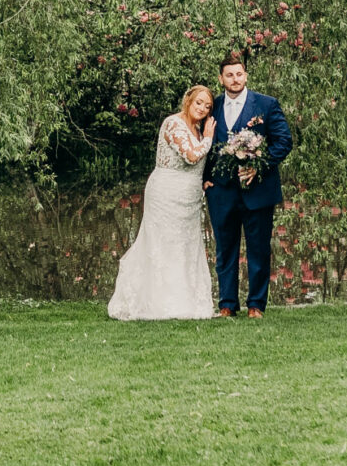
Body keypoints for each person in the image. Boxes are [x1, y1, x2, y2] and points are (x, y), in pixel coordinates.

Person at [105, 85, 218, 321]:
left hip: (190, 197)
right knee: (162, 245)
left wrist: (206, 180)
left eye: (207, 106)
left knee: (186, 246)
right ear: (188, 100)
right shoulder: (173, 123)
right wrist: (208, 138)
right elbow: (191, 156)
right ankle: (157, 303)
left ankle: (186, 303)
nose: (202, 108)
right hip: (166, 193)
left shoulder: (197, 129)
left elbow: (199, 165)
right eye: (199, 102)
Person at [203, 55, 291, 316]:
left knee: (258, 249)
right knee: (225, 251)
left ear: (246, 75)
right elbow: (202, 144)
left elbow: (284, 142)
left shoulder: (266, 105)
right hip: (221, 192)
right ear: (221, 79)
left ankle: (256, 305)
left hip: (258, 190)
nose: (235, 79)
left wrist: (259, 165)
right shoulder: (212, 106)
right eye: (229, 75)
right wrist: (204, 177)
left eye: (239, 74)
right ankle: (227, 305)